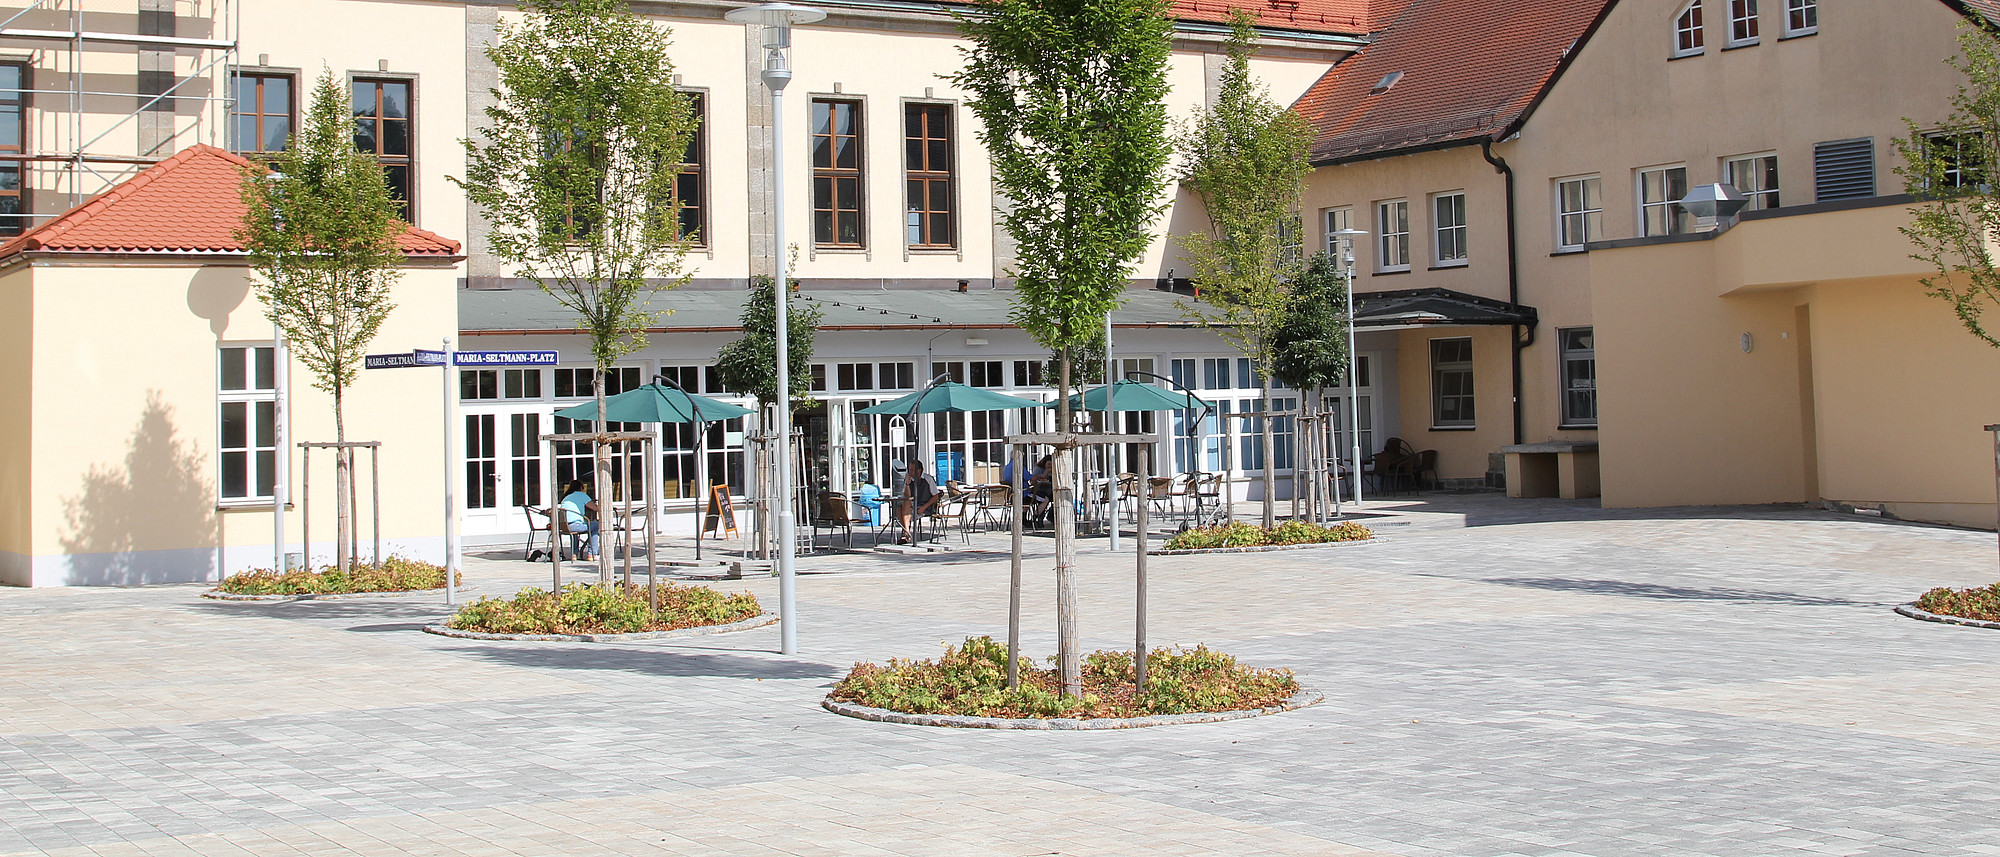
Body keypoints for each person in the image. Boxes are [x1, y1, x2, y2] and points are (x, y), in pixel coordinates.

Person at [895, 460, 939, 544]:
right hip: (912, 505)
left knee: (903, 507)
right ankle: (907, 531)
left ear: (919, 470)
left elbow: (936, 496)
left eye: (912, 470)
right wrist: (907, 484)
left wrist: (924, 507)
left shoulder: (928, 479)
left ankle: (905, 533)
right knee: (900, 507)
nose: (910, 472)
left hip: (925, 506)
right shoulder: (910, 480)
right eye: (909, 469)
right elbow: (907, 496)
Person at [559, 479, 601, 562]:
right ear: (581, 488)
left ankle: (574, 554)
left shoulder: (566, 497)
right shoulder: (582, 495)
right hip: (575, 526)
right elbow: (595, 508)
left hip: (564, 526)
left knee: (577, 532)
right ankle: (592, 554)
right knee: (595, 525)